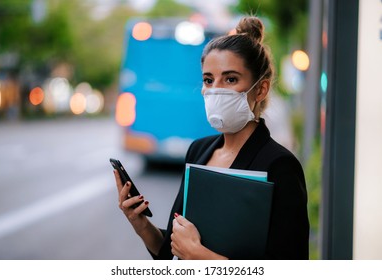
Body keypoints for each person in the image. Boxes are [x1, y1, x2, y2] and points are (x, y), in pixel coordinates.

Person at [114, 16, 309, 260]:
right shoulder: (199, 151)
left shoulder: (280, 165)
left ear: (260, 89)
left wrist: (200, 256)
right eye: (208, 79)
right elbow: (172, 252)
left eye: (230, 79)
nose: (215, 89)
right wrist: (140, 223)